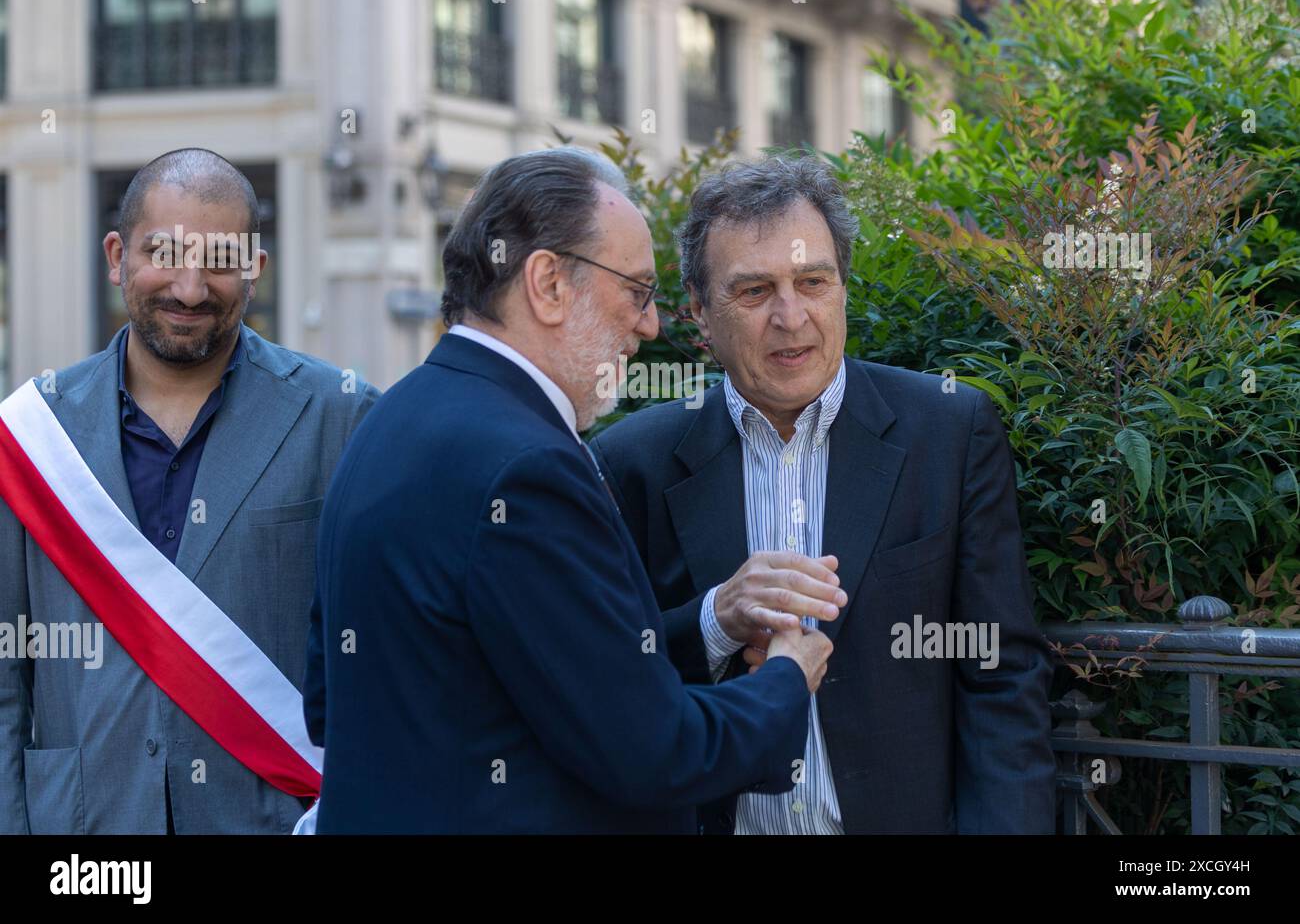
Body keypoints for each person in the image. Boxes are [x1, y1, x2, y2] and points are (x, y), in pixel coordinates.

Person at [303, 146, 834, 833]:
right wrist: (786, 680)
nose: (650, 325)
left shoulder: (389, 420)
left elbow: (332, 703)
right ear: (549, 283)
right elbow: (653, 751)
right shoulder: (528, 467)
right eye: (637, 292)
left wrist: (715, 624)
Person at [591, 155, 1056, 834]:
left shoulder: (950, 432)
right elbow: (609, 678)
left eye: (812, 281)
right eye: (754, 291)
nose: (791, 316)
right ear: (699, 310)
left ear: (842, 285)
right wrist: (717, 621)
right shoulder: (632, 460)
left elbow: (1001, 674)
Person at [0, 148, 379, 834]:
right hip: (85, 840)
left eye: (221, 258)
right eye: (164, 252)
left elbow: (385, 652)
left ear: (256, 269)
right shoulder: (33, 434)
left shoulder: (342, 416)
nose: (190, 287)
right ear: (116, 256)